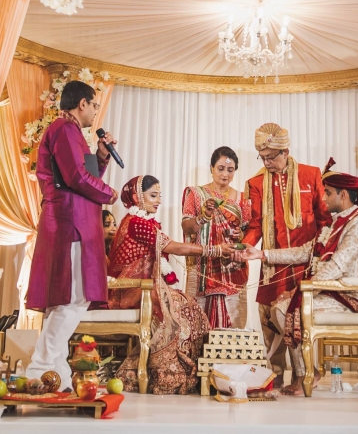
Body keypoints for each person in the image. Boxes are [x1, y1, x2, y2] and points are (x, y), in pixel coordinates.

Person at [235, 163, 358, 394]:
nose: (324, 198)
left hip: (350, 295)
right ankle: (307, 372)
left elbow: (337, 266)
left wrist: (302, 289)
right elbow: (304, 251)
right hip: (331, 291)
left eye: (328, 193)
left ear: (344, 195)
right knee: (279, 308)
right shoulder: (336, 223)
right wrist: (261, 254)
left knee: (284, 310)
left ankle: (306, 374)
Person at [25, 80, 119, 391]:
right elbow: (76, 178)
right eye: (94, 105)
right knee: (72, 298)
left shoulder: (73, 133)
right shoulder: (63, 129)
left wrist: (102, 157)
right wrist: (110, 193)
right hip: (70, 223)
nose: (95, 111)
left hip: (75, 219)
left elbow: (83, 175)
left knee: (67, 300)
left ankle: (57, 376)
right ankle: (39, 367)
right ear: (82, 104)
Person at [108, 175, 233, 394]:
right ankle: (167, 373)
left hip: (143, 287)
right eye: (153, 195)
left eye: (160, 196)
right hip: (131, 290)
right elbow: (173, 247)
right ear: (137, 197)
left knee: (187, 305)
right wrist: (214, 250)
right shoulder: (137, 223)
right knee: (181, 308)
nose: (158, 201)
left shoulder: (143, 222)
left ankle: (190, 368)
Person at [243, 123, 331, 385]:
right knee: (270, 317)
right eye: (262, 157)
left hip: (306, 263)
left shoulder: (310, 175)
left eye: (272, 157)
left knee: (297, 318)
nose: (267, 162)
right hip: (273, 262)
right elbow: (256, 224)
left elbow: (324, 218)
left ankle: (305, 371)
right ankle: (277, 373)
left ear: (286, 151)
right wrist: (244, 247)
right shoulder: (256, 183)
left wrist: (322, 254)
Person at [181, 146, 251, 329]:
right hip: (202, 267)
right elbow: (187, 228)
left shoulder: (243, 199)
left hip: (232, 267)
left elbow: (249, 235)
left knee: (233, 327)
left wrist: (241, 236)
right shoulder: (195, 194)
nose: (225, 174)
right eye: (220, 168)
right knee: (197, 323)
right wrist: (204, 216)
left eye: (230, 170)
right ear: (211, 168)